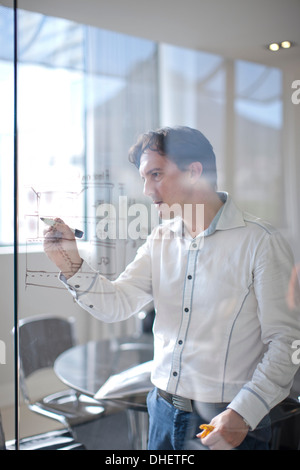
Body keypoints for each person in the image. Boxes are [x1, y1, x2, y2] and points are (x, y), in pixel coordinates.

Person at [43, 126, 300, 450]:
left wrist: (243, 412)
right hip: (162, 411)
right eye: (143, 178)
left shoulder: (261, 242)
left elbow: (287, 342)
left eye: (156, 174)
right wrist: (70, 264)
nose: (147, 190)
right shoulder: (160, 240)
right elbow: (118, 304)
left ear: (194, 172)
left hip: (226, 421)